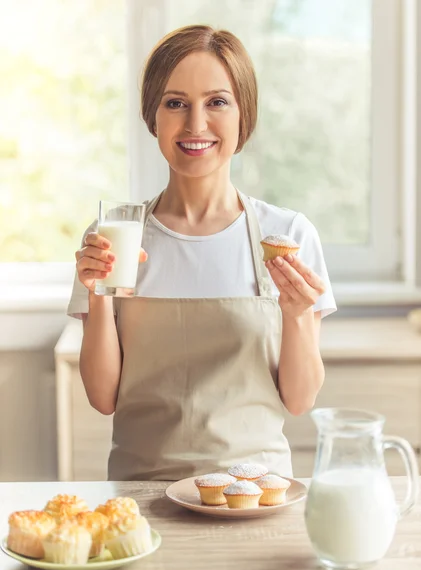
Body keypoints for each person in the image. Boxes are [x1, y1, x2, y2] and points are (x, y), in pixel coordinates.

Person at [67, 25, 337, 481]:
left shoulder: (286, 235)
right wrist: (99, 295)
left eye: (217, 102)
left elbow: (299, 400)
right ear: (152, 116)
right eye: (175, 103)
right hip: (140, 502)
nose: (195, 125)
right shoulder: (116, 235)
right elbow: (103, 397)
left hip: (256, 496)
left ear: (243, 116)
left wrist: (294, 315)